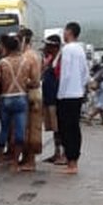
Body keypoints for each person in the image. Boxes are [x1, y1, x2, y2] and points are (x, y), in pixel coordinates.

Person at [0, 33, 39, 171]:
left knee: (4, 129)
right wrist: (25, 84)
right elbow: (35, 82)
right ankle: (15, 162)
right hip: (21, 98)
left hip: (5, 98)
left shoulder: (2, 63)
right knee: (20, 131)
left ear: (6, 48)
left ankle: (0, 157)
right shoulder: (26, 62)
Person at [55, 22, 90, 174]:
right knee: (74, 128)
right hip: (77, 94)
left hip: (67, 95)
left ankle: (71, 162)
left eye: (64, 31)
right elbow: (85, 73)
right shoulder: (80, 49)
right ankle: (73, 160)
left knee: (66, 129)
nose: (63, 34)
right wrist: (80, 88)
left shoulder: (67, 49)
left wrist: (60, 94)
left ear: (69, 32)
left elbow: (65, 74)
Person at [18, 28, 45, 171]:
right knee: (30, 126)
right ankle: (27, 158)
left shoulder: (27, 56)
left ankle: (30, 160)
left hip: (30, 93)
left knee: (29, 127)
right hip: (35, 92)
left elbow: (33, 79)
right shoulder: (36, 55)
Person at [40, 35, 64, 163]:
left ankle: (63, 153)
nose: (45, 48)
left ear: (54, 47)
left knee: (60, 127)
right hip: (49, 98)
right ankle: (57, 152)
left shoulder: (61, 60)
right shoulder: (50, 60)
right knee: (54, 128)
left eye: (47, 46)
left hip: (56, 99)